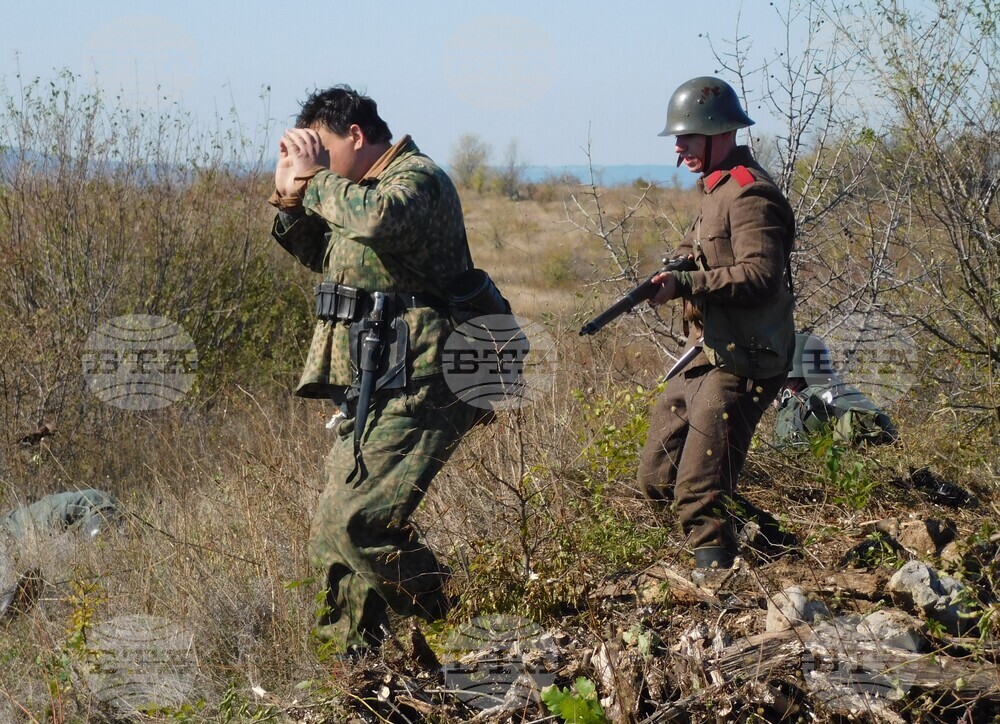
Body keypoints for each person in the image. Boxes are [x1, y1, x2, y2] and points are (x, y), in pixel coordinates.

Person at [268, 85, 479, 654]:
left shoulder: (417, 179)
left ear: (357, 136)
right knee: (332, 536)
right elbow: (324, 253)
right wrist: (292, 199)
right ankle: (351, 670)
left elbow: (381, 222)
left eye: (323, 147)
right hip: (380, 377)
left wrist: (316, 182)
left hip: (435, 374)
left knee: (360, 524)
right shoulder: (352, 193)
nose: (316, 160)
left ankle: (467, 622)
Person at [636, 76, 797, 570]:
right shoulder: (716, 187)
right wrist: (677, 266)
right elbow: (701, 248)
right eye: (678, 138)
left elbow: (761, 276)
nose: (679, 146)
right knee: (656, 478)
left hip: (746, 356)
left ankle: (719, 589)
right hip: (708, 351)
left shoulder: (750, 194)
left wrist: (687, 286)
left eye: (687, 136)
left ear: (719, 132)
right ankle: (773, 543)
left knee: (699, 490)